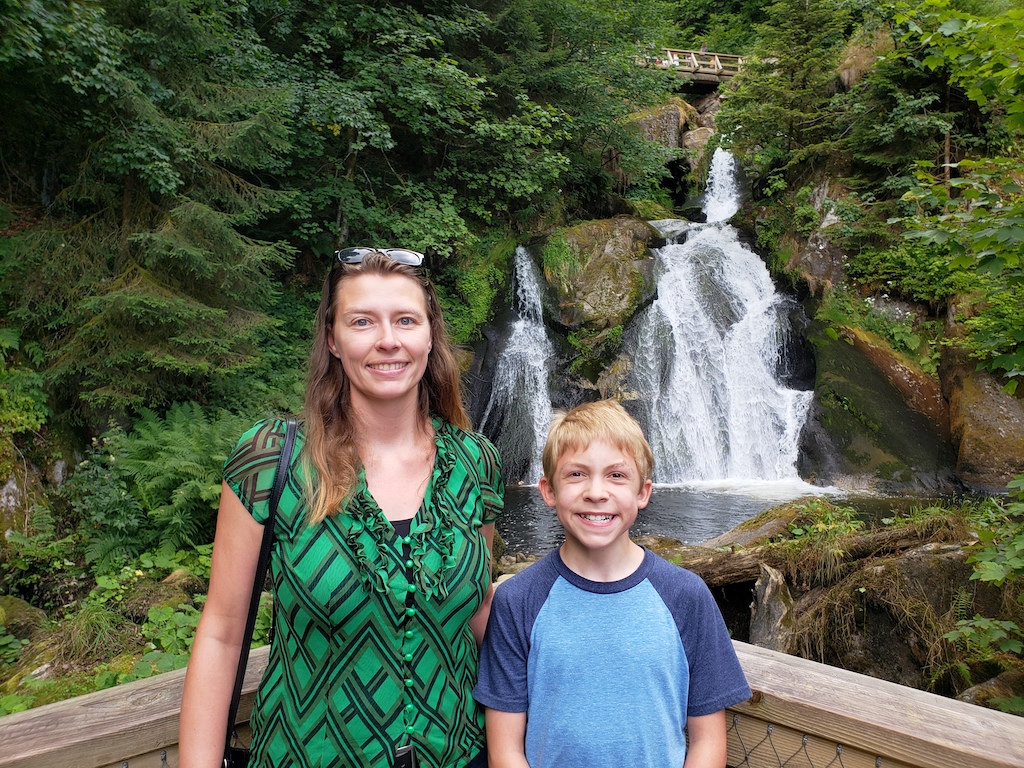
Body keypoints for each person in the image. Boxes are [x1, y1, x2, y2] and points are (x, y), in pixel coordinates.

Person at [179, 248, 503, 768]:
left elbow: (478, 611)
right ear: (333, 339)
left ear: (429, 336)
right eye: (362, 322)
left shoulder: (476, 465)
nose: (388, 340)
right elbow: (221, 631)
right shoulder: (271, 461)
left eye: (405, 320)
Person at [473, 400, 750, 768]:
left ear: (643, 493)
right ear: (548, 490)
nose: (596, 492)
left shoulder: (686, 596)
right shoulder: (517, 600)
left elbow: (708, 740)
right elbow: (505, 750)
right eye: (576, 474)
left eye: (616, 475)